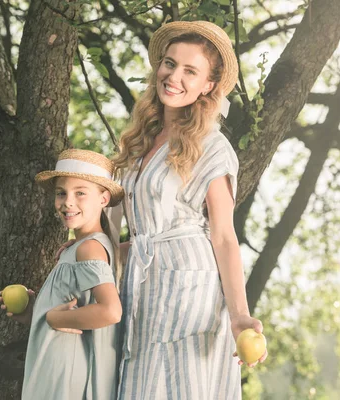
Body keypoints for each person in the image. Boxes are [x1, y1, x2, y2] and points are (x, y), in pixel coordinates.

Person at [112, 21, 268, 399]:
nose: (174, 76)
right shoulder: (140, 140)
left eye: (190, 71)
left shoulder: (212, 147)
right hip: (141, 286)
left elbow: (224, 236)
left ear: (208, 86)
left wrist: (239, 315)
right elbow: (129, 230)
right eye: (170, 63)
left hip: (189, 294)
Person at [0, 149, 124, 400]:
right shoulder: (79, 248)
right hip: (55, 368)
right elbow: (73, 309)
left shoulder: (89, 248)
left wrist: (56, 320)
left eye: (80, 193)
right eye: (61, 193)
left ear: (103, 198)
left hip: (66, 376)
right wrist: (36, 313)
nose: (68, 201)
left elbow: (110, 311)